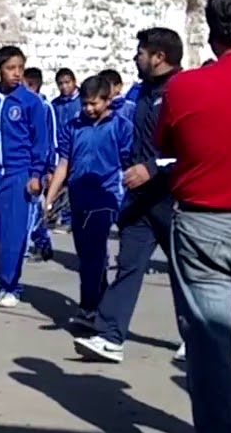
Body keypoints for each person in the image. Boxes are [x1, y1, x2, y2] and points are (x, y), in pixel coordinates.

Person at [156, 0, 231, 433]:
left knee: (210, 351)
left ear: (211, 36)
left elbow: (168, 143)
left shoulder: (184, 88)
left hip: (202, 224)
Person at [72, 28, 183, 363]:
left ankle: (196, 336)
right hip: (139, 200)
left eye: (141, 52)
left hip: (173, 197)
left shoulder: (182, 91)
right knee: (128, 265)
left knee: (184, 271)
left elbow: (194, 148)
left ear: (158, 57)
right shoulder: (138, 94)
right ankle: (109, 336)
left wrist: (153, 167)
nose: (136, 57)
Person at [44, 75, 133, 330]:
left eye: (94, 103)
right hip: (78, 198)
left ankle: (89, 307)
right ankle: (101, 306)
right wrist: (50, 197)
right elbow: (64, 164)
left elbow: (129, 164)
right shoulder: (73, 127)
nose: (89, 109)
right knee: (85, 256)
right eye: (85, 103)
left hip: (106, 198)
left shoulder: (121, 126)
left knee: (94, 254)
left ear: (108, 100)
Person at [0, 45, 49, 308]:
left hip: (19, 174)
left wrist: (36, 174)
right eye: (10, 68)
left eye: (20, 68)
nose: (17, 74)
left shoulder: (31, 102)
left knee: (13, 234)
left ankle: (10, 285)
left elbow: (41, 141)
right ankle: (3, 271)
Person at [23, 67, 56, 262]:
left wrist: (51, 168)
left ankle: (30, 245)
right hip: (24, 164)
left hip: (41, 166)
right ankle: (42, 243)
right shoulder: (24, 105)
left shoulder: (45, 107)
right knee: (29, 208)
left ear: (33, 86)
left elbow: (50, 140)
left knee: (33, 207)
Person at [49, 68, 81, 231]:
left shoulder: (82, 102)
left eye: (67, 82)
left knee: (72, 185)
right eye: (60, 84)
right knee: (57, 182)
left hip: (77, 149)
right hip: (59, 150)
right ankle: (54, 214)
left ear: (74, 82)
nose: (64, 87)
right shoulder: (55, 105)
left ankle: (69, 219)